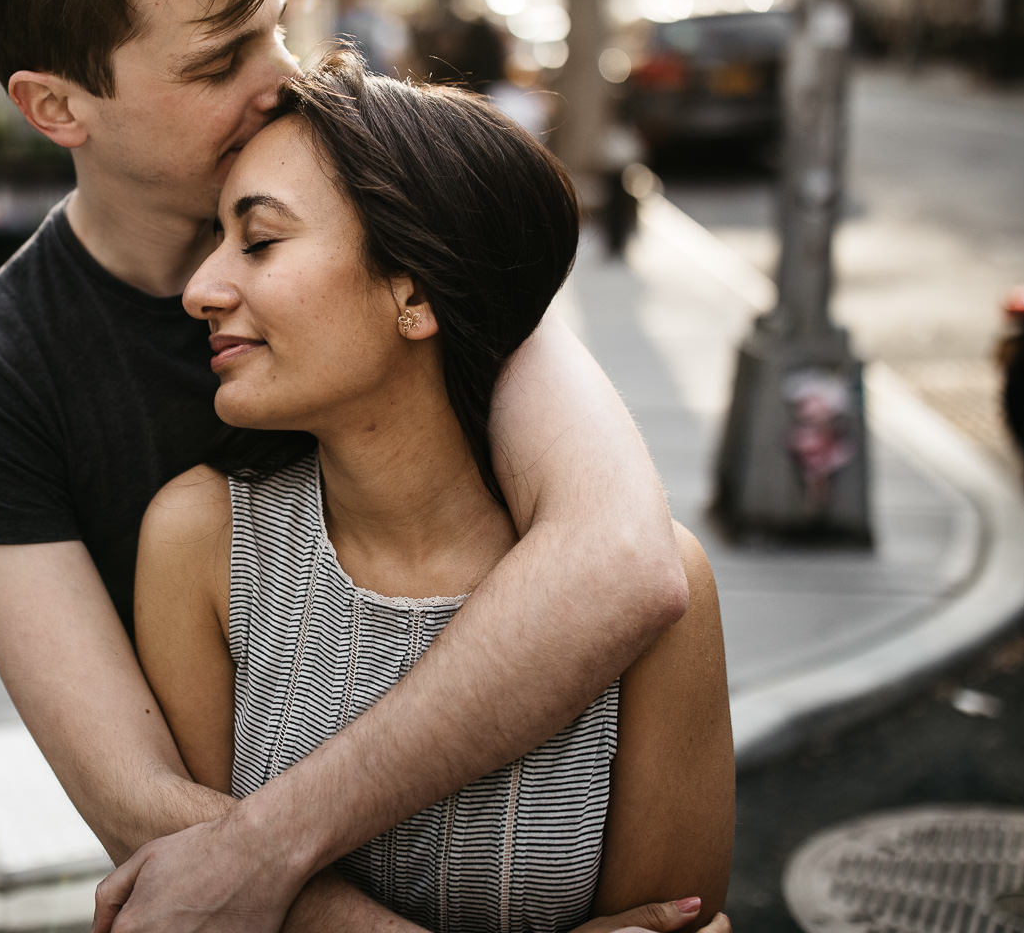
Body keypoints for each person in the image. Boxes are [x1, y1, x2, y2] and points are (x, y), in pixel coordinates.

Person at [0, 0, 690, 932]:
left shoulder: (384, 203)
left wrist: (274, 837)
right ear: (56, 106)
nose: (286, 79)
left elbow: (622, 562)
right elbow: (140, 807)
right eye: (222, 59)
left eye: (276, 26)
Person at [129, 56, 733, 932]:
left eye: (258, 241)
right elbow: (198, 907)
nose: (201, 290)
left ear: (412, 292)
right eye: (213, 244)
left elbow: (676, 922)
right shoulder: (202, 544)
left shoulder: (659, 596)